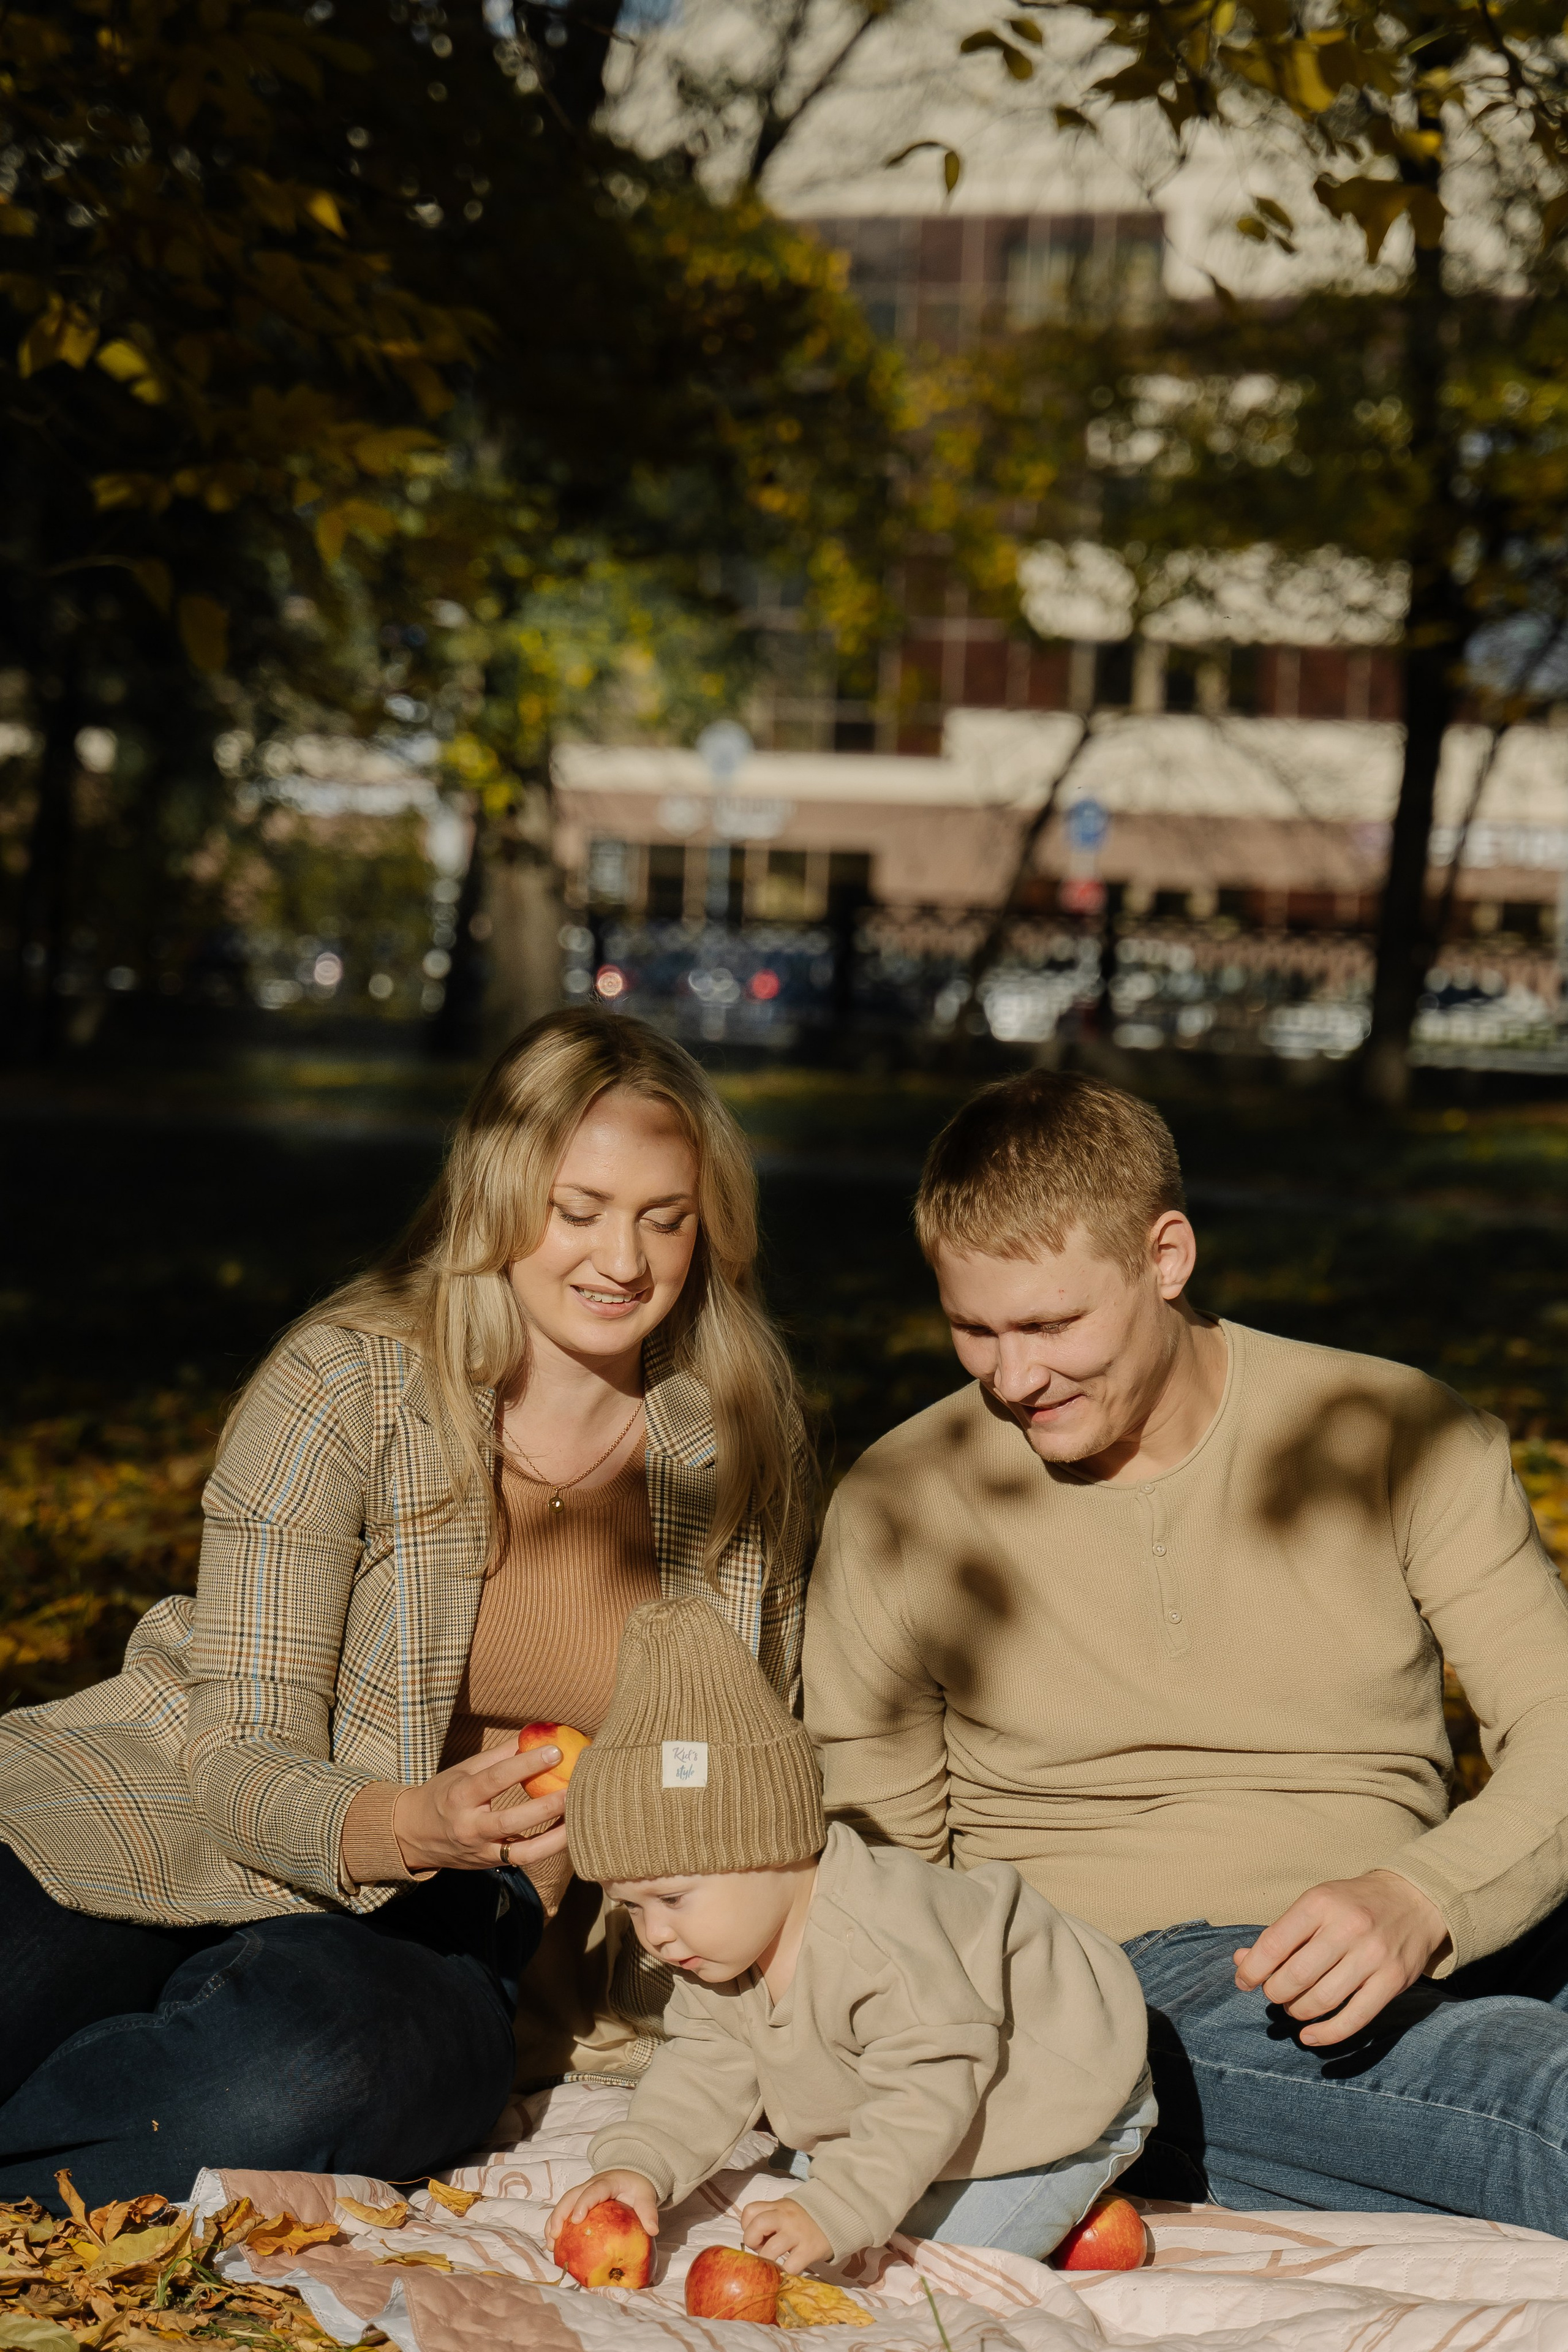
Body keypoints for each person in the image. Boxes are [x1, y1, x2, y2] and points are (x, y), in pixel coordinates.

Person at [0, 1009, 810, 2209]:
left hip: (435, 1935)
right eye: (574, 1208)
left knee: (299, 2077)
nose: (621, 1261)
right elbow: (233, 1754)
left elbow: (760, 1769)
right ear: (492, 1201)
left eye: (663, 1217)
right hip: (180, 1808)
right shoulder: (349, 1380)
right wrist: (405, 1819)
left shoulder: (733, 1441)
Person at [804, 1068, 1568, 2233]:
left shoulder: (1401, 1435)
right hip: (1129, 1985)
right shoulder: (905, 1503)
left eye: (1053, 1324)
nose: (1013, 1378)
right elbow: (877, 1871)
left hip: (1417, 1926)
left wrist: (1428, 1893)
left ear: (1167, 1258)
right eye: (974, 1329)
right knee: (1537, 2104)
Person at [546, 1595, 1153, 2271]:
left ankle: (1083, 2174)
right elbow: (705, 2067)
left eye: (672, 1897)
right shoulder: (719, 1947)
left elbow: (930, 2080)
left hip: (1041, 2082)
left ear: (774, 1844)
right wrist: (639, 2163)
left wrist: (837, 2208)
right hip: (924, 2076)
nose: (654, 1933)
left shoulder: (875, 1937)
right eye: (631, 1907)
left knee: (941, 2256)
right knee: (822, 2185)